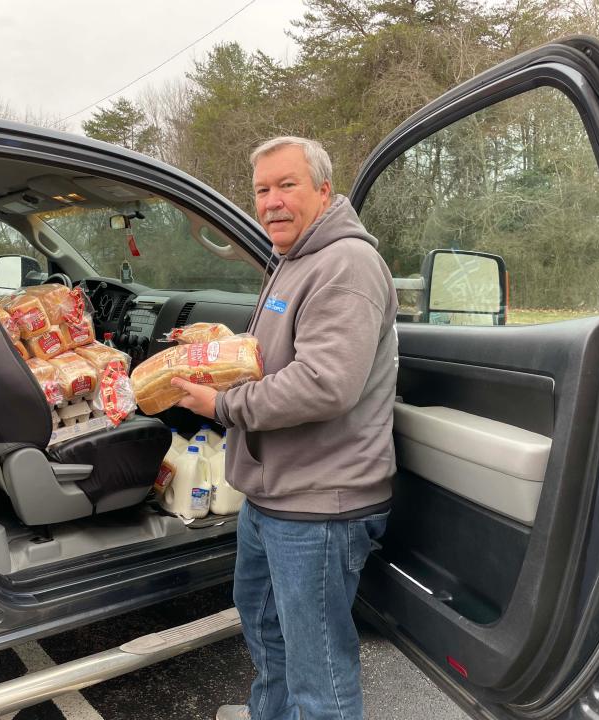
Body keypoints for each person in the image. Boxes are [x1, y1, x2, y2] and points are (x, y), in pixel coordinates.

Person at [172, 136, 398, 720]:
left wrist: (221, 405)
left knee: (318, 669)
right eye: (262, 190)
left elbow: (326, 383)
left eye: (286, 185)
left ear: (324, 189)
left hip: (320, 504)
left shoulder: (346, 264)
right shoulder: (296, 259)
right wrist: (215, 354)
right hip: (275, 495)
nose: (271, 201)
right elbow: (276, 353)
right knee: (266, 631)